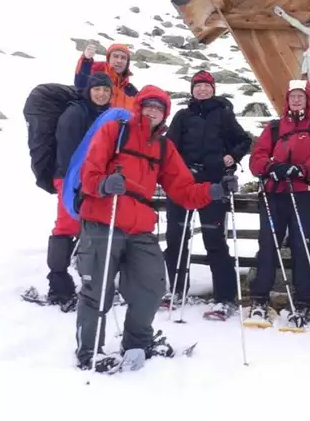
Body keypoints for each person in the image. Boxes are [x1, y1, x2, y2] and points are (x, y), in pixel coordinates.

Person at [74, 86, 235, 372]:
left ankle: (137, 342)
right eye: (148, 105)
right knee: (97, 290)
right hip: (103, 219)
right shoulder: (115, 132)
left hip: (139, 227)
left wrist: (214, 189)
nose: (152, 112)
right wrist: (103, 183)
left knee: (151, 286)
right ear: (139, 106)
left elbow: (184, 190)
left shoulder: (163, 147)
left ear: (165, 115)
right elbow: (89, 173)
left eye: (158, 108)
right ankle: (90, 352)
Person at [163, 70, 252, 319]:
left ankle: (224, 298)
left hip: (213, 184)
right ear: (192, 90)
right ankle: (177, 291)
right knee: (176, 238)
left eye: (206, 86)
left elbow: (243, 140)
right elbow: (169, 146)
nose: (202, 90)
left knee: (214, 241)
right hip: (182, 183)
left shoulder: (223, 114)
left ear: (213, 89)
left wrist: (232, 157)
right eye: (198, 86)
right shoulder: (182, 116)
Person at [247, 79, 310, 327]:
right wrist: (271, 167)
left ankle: (303, 300)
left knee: (301, 246)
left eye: (301, 96)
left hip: (303, 193)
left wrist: (303, 170)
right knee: (268, 244)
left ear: (308, 100)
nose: (296, 100)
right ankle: (259, 297)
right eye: (292, 96)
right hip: (275, 193)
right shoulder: (274, 127)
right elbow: (257, 159)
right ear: (286, 100)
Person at [45, 72, 112, 311]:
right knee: (66, 226)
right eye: (97, 89)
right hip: (69, 177)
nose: (102, 94)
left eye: (106, 90)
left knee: (90, 224)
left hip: (93, 179)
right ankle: (58, 284)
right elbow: (67, 149)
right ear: (89, 91)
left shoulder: (106, 114)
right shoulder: (75, 112)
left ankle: (86, 277)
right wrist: (77, 180)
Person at [74, 41, 138, 110]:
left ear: (127, 63)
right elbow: (80, 84)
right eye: (115, 56)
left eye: (123, 58)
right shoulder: (95, 76)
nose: (119, 61)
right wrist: (86, 61)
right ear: (108, 59)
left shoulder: (130, 90)